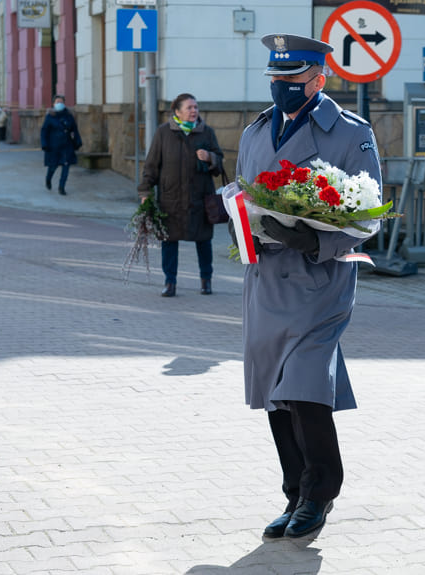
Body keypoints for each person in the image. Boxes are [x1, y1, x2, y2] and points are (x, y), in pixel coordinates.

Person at [235, 34, 381, 539]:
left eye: (292, 80)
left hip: (320, 279)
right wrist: (237, 217)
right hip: (267, 281)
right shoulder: (256, 131)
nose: (282, 88)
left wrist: (309, 237)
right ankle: (295, 491)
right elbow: (242, 190)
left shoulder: (350, 133)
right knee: (277, 391)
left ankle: (321, 492)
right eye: (276, 79)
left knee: (305, 385)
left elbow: (367, 218)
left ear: (319, 80)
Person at [138, 93, 223, 297]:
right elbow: (151, 165)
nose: (194, 111)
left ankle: (206, 280)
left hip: (199, 198)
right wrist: (145, 192)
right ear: (177, 112)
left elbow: (219, 164)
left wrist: (210, 157)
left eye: (196, 107)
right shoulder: (163, 133)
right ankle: (170, 282)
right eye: (189, 107)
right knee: (169, 242)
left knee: (203, 241)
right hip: (171, 199)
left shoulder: (206, 133)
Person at [40, 95, 82, 196]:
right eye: (57, 102)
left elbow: (74, 130)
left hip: (67, 145)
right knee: (53, 167)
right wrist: (44, 144)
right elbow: (44, 131)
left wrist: (78, 141)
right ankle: (48, 179)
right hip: (53, 146)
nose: (59, 103)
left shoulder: (69, 115)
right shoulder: (50, 116)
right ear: (53, 104)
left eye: (61, 102)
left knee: (66, 166)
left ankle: (61, 187)